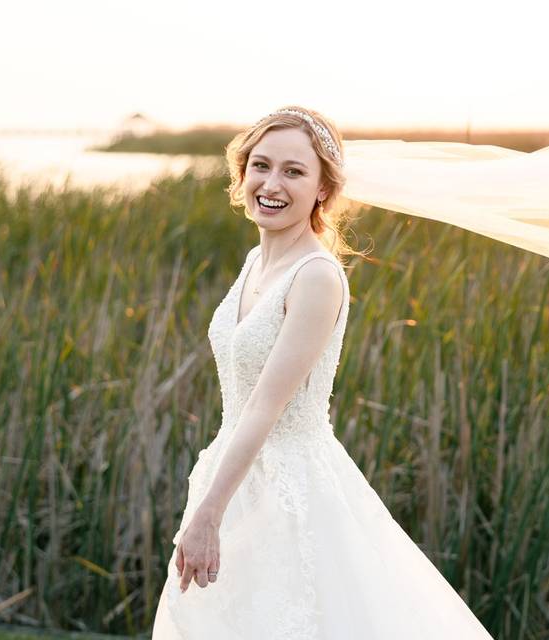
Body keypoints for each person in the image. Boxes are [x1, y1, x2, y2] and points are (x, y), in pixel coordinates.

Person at [151, 106, 495, 639]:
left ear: (322, 191)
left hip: (291, 487)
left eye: (294, 171)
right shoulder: (254, 261)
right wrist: (215, 499)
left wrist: (209, 514)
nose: (271, 183)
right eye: (260, 166)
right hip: (234, 472)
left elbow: (268, 404)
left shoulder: (317, 277)